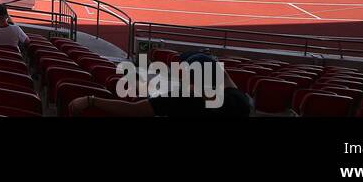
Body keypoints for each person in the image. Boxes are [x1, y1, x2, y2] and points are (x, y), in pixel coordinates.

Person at [68, 53, 252, 118]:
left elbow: (134, 110)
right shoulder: (240, 103)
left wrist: (91, 100)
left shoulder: (180, 99)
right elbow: (226, 82)